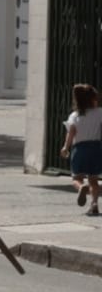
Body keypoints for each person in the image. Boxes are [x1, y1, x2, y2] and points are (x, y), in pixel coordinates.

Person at [64, 83, 101, 217]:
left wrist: (65, 147)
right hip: (96, 148)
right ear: (92, 99)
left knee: (76, 177)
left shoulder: (75, 115)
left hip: (80, 149)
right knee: (94, 180)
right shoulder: (100, 113)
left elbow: (71, 133)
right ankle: (95, 203)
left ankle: (81, 187)